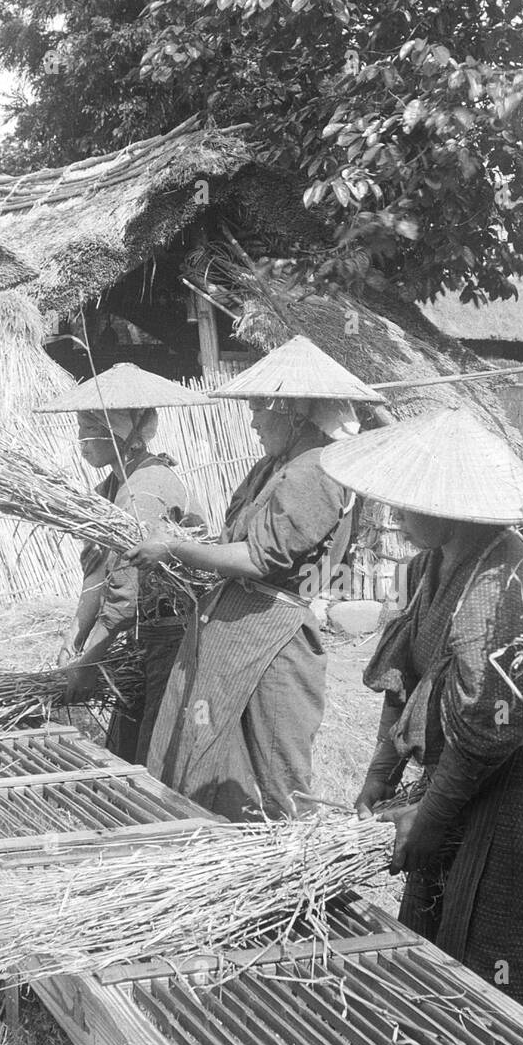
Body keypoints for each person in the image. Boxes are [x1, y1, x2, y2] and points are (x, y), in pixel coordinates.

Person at [322, 406, 523, 1035]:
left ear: (450, 506)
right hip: (456, 773)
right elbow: (403, 679)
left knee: (504, 945)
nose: (393, 515)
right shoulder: (429, 565)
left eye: (407, 503)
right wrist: (377, 781)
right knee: (435, 912)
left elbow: (485, 731)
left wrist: (429, 819)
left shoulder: (505, 580)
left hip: (520, 787)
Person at [126, 336, 380, 821]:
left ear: (293, 411)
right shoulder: (276, 466)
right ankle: (212, 847)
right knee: (209, 739)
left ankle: (285, 869)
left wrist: (175, 548)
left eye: (262, 408)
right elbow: (232, 535)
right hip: (235, 626)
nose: (254, 420)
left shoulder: (318, 470)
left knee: (275, 769)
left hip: (273, 635)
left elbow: (261, 558)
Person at [44, 364, 209, 764]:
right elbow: (98, 571)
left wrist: (89, 661)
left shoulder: (145, 491)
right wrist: (75, 634)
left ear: (122, 433)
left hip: (174, 631)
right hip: (144, 631)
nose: (81, 442)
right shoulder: (112, 487)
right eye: (80, 430)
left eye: (90, 430)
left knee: (156, 744)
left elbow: (126, 591)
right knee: (128, 736)